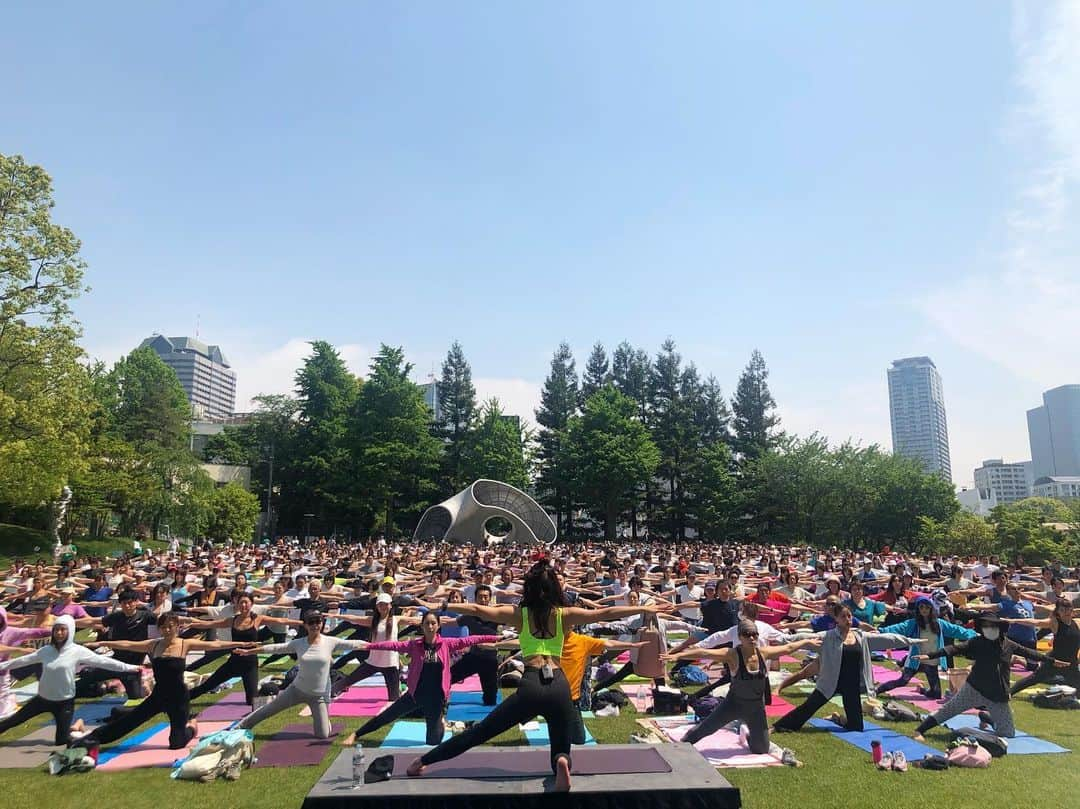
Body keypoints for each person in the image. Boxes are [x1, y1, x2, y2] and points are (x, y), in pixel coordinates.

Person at [402, 560, 664, 792]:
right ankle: (561, 761)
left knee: (480, 732)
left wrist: (445, 604)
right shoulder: (564, 615)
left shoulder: (520, 615)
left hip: (531, 684)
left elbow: (479, 610)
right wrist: (643, 610)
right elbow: (603, 614)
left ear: (529, 588)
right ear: (555, 590)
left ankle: (422, 762)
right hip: (560, 686)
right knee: (560, 745)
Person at [76, 612, 251, 750]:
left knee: (176, 743)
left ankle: (192, 726)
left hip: (179, 698)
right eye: (164, 627)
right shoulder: (154, 645)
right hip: (158, 695)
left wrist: (240, 645)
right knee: (127, 722)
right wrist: (101, 643)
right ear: (160, 628)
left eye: (171, 627)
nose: (167, 630)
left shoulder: (184, 644)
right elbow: (128, 644)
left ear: (177, 627)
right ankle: (93, 737)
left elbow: (215, 645)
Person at [340, 610, 500, 746]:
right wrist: (369, 646)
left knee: (433, 741)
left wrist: (495, 638)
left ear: (438, 626)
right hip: (415, 694)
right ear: (422, 626)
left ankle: (441, 723)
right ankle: (356, 734)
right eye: (427, 623)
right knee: (387, 716)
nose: (430, 627)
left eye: (433, 623)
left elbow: (471, 640)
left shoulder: (446, 644)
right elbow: (392, 645)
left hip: (436, 698)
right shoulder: (414, 645)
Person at [663, 620, 817, 755]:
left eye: (754, 634)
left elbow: (789, 647)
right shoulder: (732, 654)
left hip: (756, 708)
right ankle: (680, 745)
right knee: (704, 730)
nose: (751, 638)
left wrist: (806, 643)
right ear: (739, 637)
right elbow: (704, 652)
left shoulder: (763, 653)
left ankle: (747, 732)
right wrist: (678, 656)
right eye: (747, 634)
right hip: (733, 704)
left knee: (761, 749)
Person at [912, 614, 1068, 741]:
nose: (989, 629)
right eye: (985, 626)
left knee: (1008, 733)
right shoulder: (977, 642)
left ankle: (987, 718)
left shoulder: (1008, 645)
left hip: (997, 694)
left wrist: (1053, 661)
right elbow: (953, 648)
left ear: (999, 629)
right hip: (974, 689)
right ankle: (920, 730)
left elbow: (1030, 653)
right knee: (947, 710)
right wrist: (929, 655)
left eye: (992, 626)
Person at [773, 607, 922, 733]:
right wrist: (782, 639)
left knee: (856, 727)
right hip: (831, 682)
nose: (847, 619)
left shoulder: (861, 637)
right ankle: (780, 726)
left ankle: (837, 719)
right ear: (836, 619)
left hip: (851, 685)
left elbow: (888, 639)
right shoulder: (827, 637)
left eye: (849, 616)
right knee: (807, 708)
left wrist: (911, 641)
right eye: (843, 616)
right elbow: (804, 637)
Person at [0, 616, 140, 745]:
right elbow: (21, 661)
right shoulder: (46, 651)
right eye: (57, 630)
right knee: (12, 721)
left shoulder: (77, 651)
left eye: (63, 630)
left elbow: (104, 662)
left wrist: (129, 668)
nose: (59, 633)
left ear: (71, 631)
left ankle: (78, 725)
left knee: (62, 741)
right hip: (42, 700)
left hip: (64, 703)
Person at [234, 610, 369, 738]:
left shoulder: (330, 641)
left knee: (323, 735)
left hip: (319, 696)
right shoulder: (299, 643)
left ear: (322, 623)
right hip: (296, 690)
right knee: (269, 709)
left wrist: (375, 646)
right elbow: (277, 648)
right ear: (305, 625)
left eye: (318, 621)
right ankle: (240, 727)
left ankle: (324, 718)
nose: (315, 625)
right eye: (311, 622)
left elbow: (352, 644)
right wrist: (249, 652)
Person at [874, 597, 975, 700]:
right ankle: (877, 690)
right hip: (915, 661)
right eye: (921, 607)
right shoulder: (913, 623)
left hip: (931, 661)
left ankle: (921, 690)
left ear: (931, 608)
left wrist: (974, 635)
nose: (924, 610)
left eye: (927, 607)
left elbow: (956, 630)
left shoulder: (940, 623)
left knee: (936, 694)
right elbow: (899, 628)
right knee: (903, 681)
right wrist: (881, 631)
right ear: (918, 609)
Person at [1008, 598, 1080, 694]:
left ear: (1072, 610)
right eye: (1062, 610)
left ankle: (1073, 702)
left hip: (1071, 663)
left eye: (1068, 609)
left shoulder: (1076, 623)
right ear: (1058, 612)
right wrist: (1015, 620)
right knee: (1033, 679)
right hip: (1054, 662)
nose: (1066, 612)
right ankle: (1008, 693)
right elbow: (1035, 622)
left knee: (1077, 684)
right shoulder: (1055, 623)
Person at [0, 606, 52, 717]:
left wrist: (52, 632)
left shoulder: (9, 631)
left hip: (2, 671)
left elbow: (29, 632)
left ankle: (9, 701)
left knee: (3, 703)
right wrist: (20, 649)